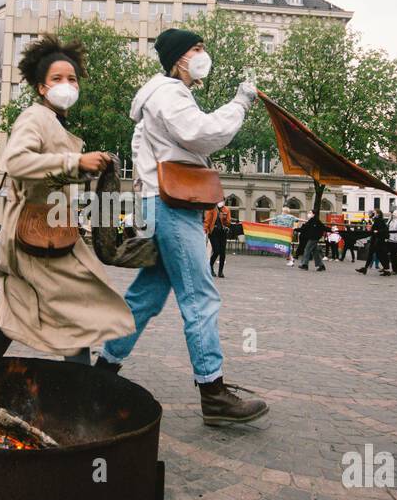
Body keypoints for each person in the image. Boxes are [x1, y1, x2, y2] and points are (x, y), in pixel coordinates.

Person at [95, 28, 268, 425]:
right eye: (197, 48)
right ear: (178, 58)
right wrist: (240, 103)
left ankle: (101, 374)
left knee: (146, 298)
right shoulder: (170, 93)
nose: (203, 54)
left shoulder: (159, 97)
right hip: (173, 207)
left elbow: (168, 152)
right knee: (200, 298)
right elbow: (201, 134)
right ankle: (214, 393)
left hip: (162, 204)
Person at [0, 35, 134, 366]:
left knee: (15, 314)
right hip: (35, 235)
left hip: (50, 232)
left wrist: (85, 171)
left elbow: (49, 177)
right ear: (41, 87)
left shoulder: (56, 122)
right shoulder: (35, 117)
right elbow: (16, 162)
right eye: (57, 79)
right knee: (74, 316)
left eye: (72, 79)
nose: (66, 85)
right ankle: (79, 398)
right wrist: (74, 163)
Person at [356, 208, 392, 277]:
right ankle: (365, 268)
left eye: (374, 212)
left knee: (380, 255)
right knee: (372, 254)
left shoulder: (380, 220)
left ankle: (386, 270)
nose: (373, 213)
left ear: (378, 214)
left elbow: (384, 229)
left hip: (378, 241)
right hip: (375, 240)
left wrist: (377, 231)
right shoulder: (376, 220)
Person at [205, 200, 230, 278]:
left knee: (222, 253)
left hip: (222, 232)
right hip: (214, 232)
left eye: (222, 201)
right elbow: (207, 221)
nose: (221, 202)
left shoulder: (226, 209)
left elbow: (228, 222)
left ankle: (220, 272)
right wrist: (205, 230)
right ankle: (210, 266)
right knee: (216, 251)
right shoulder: (211, 208)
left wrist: (225, 219)